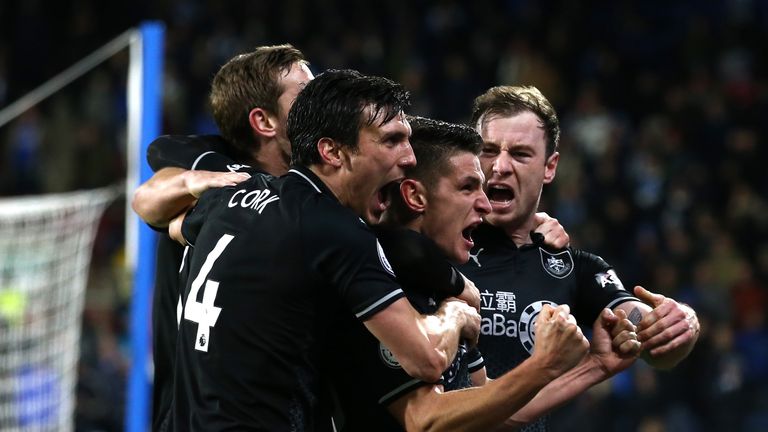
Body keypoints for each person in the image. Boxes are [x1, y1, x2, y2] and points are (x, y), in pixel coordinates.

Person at [169, 69, 480, 431]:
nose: (410, 158)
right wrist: (455, 313)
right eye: (391, 140)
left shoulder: (226, 201)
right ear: (332, 151)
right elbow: (426, 358)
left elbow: (176, 226)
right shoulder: (334, 230)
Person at [324, 116, 640, 431]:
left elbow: (487, 409)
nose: (485, 204)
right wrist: (543, 365)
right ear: (416, 196)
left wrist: (595, 367)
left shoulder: (446, 291)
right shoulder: (382, 285)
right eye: (467, 187)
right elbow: (425, 420)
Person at [458, 85, 701, 429]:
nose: (500, 166)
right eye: (488, 150)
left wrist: (680, 323)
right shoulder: (430, 250)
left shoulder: (573, 268)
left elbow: (649, 333)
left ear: (549, 167)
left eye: (521, 154)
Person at [131, 44, 313, 432]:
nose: (320, 104)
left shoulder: (315, 192)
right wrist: (199, 183)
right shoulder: (209, 167)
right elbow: (146, 198)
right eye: (305, 94)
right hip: (196, 413)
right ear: (264, 121)